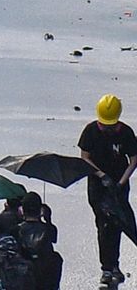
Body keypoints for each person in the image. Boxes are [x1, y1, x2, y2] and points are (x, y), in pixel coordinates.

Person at [82, 95, 137, 285]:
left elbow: (134, 160)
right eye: (104, 125)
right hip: (97, 187)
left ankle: (114, 265)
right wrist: (101, 175)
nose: (106, 128)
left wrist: (121, 182)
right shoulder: (90, 131)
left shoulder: (126, 133)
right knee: (104, 225)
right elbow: (84, 157)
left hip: (119, 185)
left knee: (119, 224)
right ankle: (107, 267)